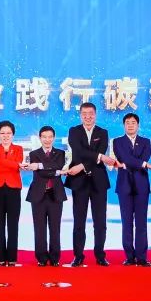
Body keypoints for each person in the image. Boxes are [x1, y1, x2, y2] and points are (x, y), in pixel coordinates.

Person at [65, 102, 115, 267]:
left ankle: (100, 255)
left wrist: (83, 165)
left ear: (95, 114)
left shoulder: (103, 132)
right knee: (79, 221)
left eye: (91, 113)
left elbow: (98, 152)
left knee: (100, 221)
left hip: (98, 182)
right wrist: (100, 157)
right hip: (79, 182)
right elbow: (78, 151)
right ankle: (78, 256)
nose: (88, 116)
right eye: (84, 113)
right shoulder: (74, 131)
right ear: (80, 115)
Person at [112, 113, 151, 266]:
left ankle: (142, 257)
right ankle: (129, 256)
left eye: (133, 122)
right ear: (124, 125)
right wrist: (142, 164)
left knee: (141, 222)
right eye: (127, 122)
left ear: (138, 125)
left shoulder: (146, 142)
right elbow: (124, 158)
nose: (130, 125)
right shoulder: (117, 142)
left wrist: (131, 164)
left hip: (141, 186)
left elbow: (143, 158)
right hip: (124, 186)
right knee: (127, 222)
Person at [26, 125, 68, 267]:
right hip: (38, 194)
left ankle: (55, 258)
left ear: (54, 138)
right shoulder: (34, 154)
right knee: (39, 228)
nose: (47, 139)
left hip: (55, 194)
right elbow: (48, 172)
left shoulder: (60, 153)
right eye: (44, 137)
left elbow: (58, 165)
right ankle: (41, 258)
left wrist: (40, 166)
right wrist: (55, 171)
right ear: (40, 138)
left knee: (55, 227)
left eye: (50, 137)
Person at [0, 120, 24, 266]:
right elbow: (14, 165)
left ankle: (12, 257)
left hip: (14, 187)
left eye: (8, 133)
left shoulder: (19, 149)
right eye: (2, 133)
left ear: (13, 134)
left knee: (13, 223)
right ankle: (0, 257)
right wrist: (15, 165)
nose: (5, 136)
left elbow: (15, 164)